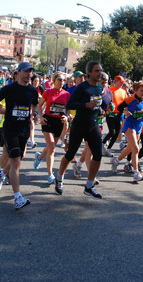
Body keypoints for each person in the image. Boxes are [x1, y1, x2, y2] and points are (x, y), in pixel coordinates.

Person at [0, 62, 39, 210]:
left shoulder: (32, 90)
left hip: (24, 129)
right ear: (18, 73)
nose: (28, 74)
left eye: (30, 71)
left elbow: (35, 105)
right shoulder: (9, 89)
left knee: (18, 157)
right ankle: (18, 197)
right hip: (10, 129)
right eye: (26, 71)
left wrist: (35, 113)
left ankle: (2, 172)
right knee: (16, 161)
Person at [55, 61, 104, 198]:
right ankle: (59, 178)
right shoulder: (82, 87)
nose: (99, 73)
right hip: (79, 125)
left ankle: (89, 186)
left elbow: (97, 103)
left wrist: (99, 110)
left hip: (93, 124)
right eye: (96, 71)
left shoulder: (99, 88)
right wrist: (86, 105)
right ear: (89, 73)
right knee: (70, 154)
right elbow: (70, 104)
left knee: (98, 155)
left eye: (100, 70)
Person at [111, 80, 143, 182]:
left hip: (139, 125)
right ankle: (136, 172)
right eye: (141, 90)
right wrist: (125, 111)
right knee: (136, 148)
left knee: (130, 148)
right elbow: (120, 107)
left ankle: (116, 160)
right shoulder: (129, 99)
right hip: (129, 125)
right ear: (136, 90)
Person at [34, 71, 70, 184]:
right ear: (54, 81)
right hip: (48, 120)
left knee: (51, 146)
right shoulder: (48, 92)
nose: (61, 82)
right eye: (59, 79)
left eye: (63, 80)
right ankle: (50, 174)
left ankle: (39, 157)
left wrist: (66, 116)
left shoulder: (66, 94)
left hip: (59, 122)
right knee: (52, 147)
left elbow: (67, 109)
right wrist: (40, 117)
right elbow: (40, 105)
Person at [103, 75, 127, 156]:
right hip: (110, 113)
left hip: (119, 114)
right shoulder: (109, 90)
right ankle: (102, 144)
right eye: (120, 82)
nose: (121, 84)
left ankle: (109, 149)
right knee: (112, 131)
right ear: (115, 81)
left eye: (122, 83)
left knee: (117, 133)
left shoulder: (123, 91)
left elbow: (126, 102)